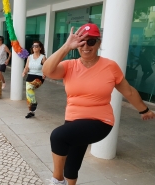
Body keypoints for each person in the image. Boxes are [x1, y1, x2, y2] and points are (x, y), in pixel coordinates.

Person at [42, 23, 155, 185]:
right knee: (72, 163)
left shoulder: (110, 66)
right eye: (82, 42)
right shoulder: (70, 66)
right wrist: (66, 47)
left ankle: (57, 180)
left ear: (99, 43)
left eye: (91, 42)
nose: (86, 46)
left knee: (58, 136)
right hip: (73, 121)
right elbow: (47, 71)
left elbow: (128, 91)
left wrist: (144, 110)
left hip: (100, 122)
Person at [22, 41, 46, 118]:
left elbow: (46, 67)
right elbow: (26, 67)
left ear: (40, 48)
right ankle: (31, 112)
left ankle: (34, 103)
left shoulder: (43, 57)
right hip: (30, 76)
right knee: (28, 95)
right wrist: (24, 72)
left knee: (30, 88)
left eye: (36, 46)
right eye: (33, 46)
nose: (34, 47)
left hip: (39, 77)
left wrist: (45, 74)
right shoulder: (30, 57)